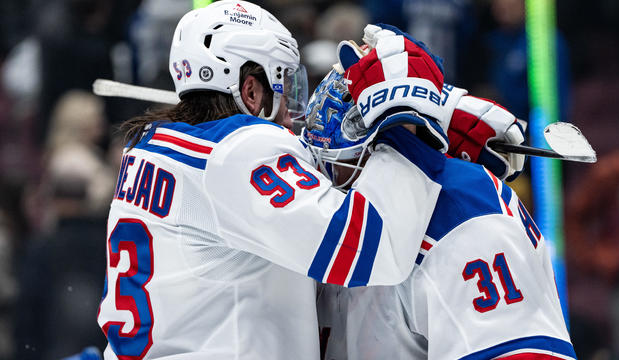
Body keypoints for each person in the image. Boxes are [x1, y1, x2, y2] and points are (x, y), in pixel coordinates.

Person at [97, 2, 455, 359]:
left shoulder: (146, 150)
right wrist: (410, 127)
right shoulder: (241, 148)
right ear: (251, 91)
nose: (291, 111)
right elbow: (371, 250)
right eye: (285, 84)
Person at [304, 58, 576, 359]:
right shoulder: (342, 228)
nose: (323, 179)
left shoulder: (465, 211)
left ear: (376, 150)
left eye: (332, 165)